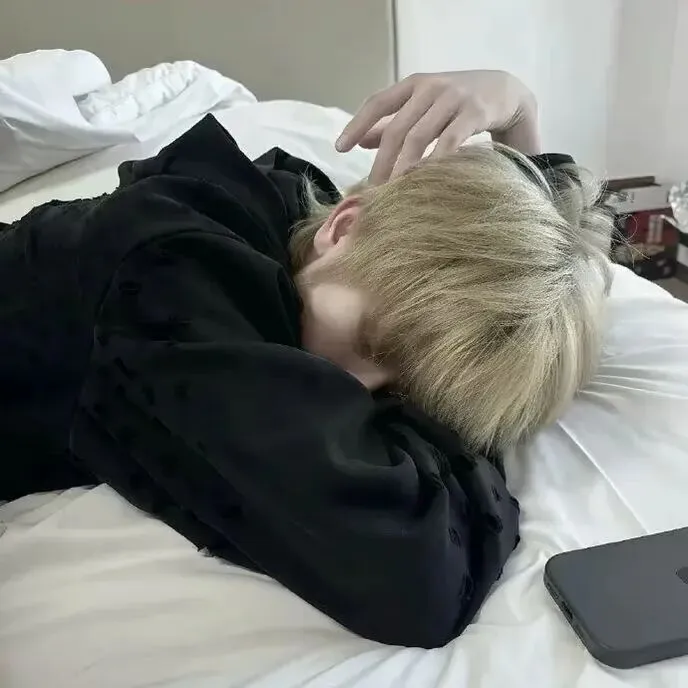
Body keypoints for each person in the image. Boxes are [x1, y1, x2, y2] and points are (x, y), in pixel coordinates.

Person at [0, 70, 612, 648]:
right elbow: (416, 575)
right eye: (370, 345)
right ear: (342, 227)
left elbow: (534, 264)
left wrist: (519, 112)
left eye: (400, 393)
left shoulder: (314, 239)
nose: (358, 391)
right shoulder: (173, 278)